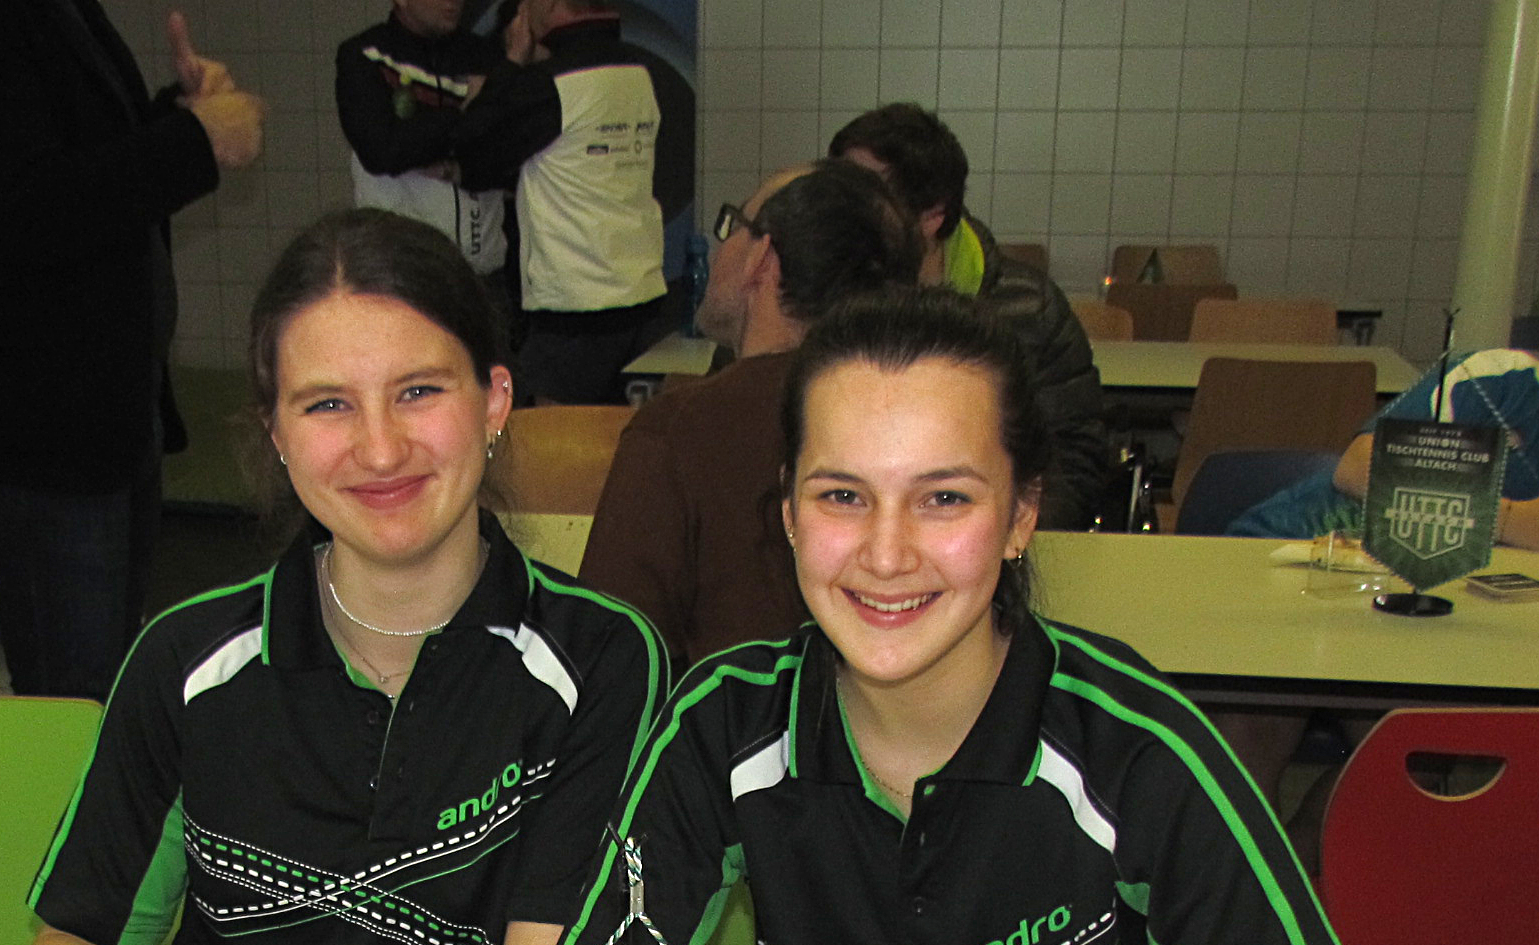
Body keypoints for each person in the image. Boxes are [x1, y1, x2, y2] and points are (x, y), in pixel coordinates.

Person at [535, 289, 1406, 945]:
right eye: (841, 496)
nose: (887, 553)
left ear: (1022, 515)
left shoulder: (1137, 752)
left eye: (945, 498)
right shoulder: (722, 724)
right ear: (787, 514)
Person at [20, 209, 667, 945]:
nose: (380, 446)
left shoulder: (603, 662)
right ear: (276, 433)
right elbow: (83, 944)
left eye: (419, 391)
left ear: (496, 400)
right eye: (327, 404)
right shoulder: (184, 661)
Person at [0, 0, 264, 701]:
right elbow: (28, 209)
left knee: (110, 686)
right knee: (73, 702)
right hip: (34, 426)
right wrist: (193, 140)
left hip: (102, 408)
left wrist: (179, 117)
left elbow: (77, 159)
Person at [577, 159, 921, 668]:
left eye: (734, 224)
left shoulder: (681, 430)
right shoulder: (931, 422)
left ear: (762, 258)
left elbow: (607, 657)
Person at [1230, 281, 1539, 552]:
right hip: (1278, 556)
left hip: (1394, 621)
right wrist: (1508, 520)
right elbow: (1358, 468)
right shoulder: (1500, 384)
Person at [827, 104, 1108, 531]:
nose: (841, 212)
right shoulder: (825, 301)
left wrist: (992, 540)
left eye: (864, 195)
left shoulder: (1028, 307)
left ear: (932, 216)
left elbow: (1074, 464)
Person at [454, 0, 694, 406]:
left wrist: (510, 63)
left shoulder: (552, 84)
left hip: (574, 306)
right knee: (620, 431)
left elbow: (473, 157)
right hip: (641, 290)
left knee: (552, 437)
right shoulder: (637, 72)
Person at [334, 0, 507, 278]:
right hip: (398, 272)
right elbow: (382, 150)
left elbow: (507, 151)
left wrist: (448, 160)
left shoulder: (486, 58)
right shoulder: (367, 55)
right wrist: (465, 112)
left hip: (481, 271)